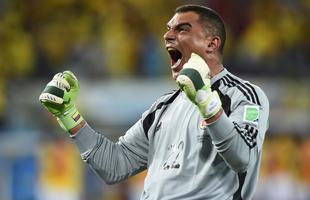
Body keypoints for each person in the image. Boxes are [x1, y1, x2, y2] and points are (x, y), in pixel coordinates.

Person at [39, 4, 269, 200]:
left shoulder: (243, 95)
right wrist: (69, 116)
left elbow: (243, 159)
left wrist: (206, 101)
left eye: (182, 29)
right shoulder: (163, 107)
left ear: (211, 44)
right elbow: (115, 166)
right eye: (168, 29)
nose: (168, 35)